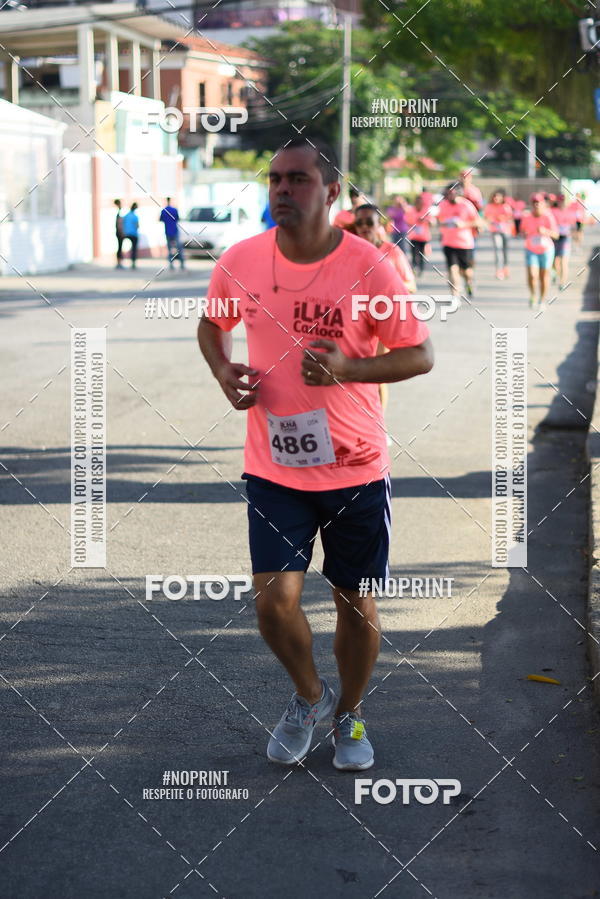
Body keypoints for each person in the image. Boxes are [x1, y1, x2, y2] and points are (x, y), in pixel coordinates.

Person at [197, 136, 433, 771]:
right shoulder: (242, 259)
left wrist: (351, 367)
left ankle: (351, 715)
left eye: (297, 179)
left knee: (354, 600)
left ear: (331, 191)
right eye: (274, 178)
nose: (281, 189)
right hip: (274, 467)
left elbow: (419, 355)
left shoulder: (371, 265)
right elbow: (211, 323)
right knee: (273, 604)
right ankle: (309, 697)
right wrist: (224, 372)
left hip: (355, 467)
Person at [437, 184, 480, 298]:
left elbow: (478, 222)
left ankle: (469, 283)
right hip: (448, 242)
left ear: (458, 192)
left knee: (466, 271)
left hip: (465, 243)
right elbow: (438, 220)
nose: (450, 195)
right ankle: (455, 296)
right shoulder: (443, 205)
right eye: (448, 193)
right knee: (452, 270)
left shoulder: (467, 205)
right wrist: (443, 223)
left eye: (452, 192)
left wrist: (463, 224)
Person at [519, 193, 559, 307]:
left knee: (544, 276)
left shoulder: (548, 216)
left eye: (539, 202)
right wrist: (524, 233)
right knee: (532, 275)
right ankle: (533, 295)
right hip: (531, 249)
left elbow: (556, 235)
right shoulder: (526, 217)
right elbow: (521, 232)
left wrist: (545, 231)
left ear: (543, 204)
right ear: (531, 204)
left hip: (546, 250)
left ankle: (542, 299)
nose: (536, 204)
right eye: (534, 202)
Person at [484, 189, 514, 280]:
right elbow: (486, 218)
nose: (496, 198)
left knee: (505, 250)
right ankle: (498, 270)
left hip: (505, 231)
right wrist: (490, 220)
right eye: (495, 196)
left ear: (502, 198)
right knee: (497, 249)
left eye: (498, 196)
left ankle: (505, 268)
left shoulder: (505, 206)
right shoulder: (489, 206)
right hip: (495, 231)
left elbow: (510, 218)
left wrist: (503, 218)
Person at [550, 195, 575, 289]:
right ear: (558, 201)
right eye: (561, 200)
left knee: (564, 261)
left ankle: (562, 282)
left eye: (564, 200)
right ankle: (556, 274)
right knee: (555, 261)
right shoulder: (553, 211)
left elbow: (573, 226)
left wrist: (572, 233)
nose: (562, 202)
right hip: (555, 237)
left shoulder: (570, 212)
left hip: (566, 238)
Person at [404, 194, 432, 276]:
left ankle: (421, 268)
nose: (418, 204)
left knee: (422, 254)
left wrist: (425, 220)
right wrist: (415, 221)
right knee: (414, 253)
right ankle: (415, 267)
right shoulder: (410, 211)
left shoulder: (426, 211)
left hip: (424, 237)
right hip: (413, 237)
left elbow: (431, 222)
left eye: (420, 203)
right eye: (417, 203)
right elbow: (407, 221)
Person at [159, 197, 185, 270]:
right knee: (179, 248)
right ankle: (182, 264)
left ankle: (171, 264)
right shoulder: (174, 210)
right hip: (175, 230)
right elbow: (178, 218)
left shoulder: (164, 211)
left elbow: (160, 219)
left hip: (168, 231)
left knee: (169, 248)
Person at [122, 202, 139, 269]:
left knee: (122, 247)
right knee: (134, 249)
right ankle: (133, 263)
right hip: (133, 234)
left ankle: (121, 262)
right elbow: (137, 225)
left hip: (126, 233)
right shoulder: (135, 216)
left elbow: (123, 224)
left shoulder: (126, 215)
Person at [114, 199, 124, 269]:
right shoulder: (119, 212)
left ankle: (119, 262)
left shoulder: (119, 211)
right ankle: (119, 263)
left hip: (118, 232)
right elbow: (119, 224)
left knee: (119, 247)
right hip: (119, 232)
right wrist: (122, 232)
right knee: (120, 247)